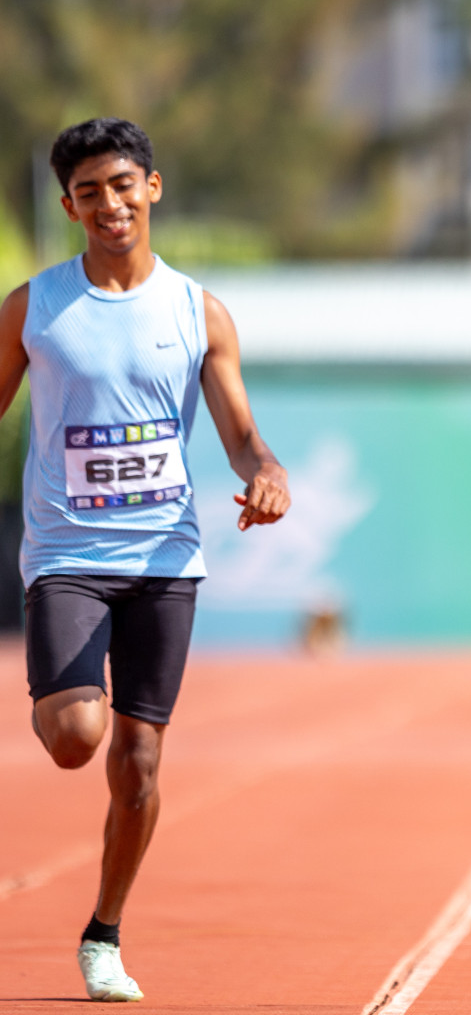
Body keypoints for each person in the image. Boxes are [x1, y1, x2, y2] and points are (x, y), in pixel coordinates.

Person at [0, 118, 290, 1001]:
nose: (109, 205)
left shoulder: (198, 312)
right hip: (68, 555)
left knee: (140, 763)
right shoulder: (34, 307)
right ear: (68, 206)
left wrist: (266, 472)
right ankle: (60, 693)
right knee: (76, 741)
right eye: (89, 192)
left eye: (123, 185)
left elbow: (240, 434)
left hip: (167, 558)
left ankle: (104, 931)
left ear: (152, 189)